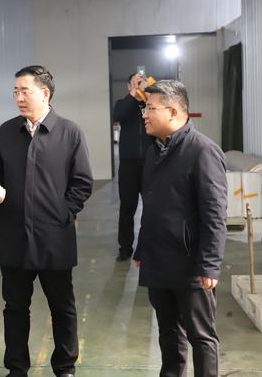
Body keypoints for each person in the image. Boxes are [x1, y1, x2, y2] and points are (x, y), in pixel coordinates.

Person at [0, 65, 93, 377]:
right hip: (14, 237)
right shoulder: (7, 131)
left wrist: (63, 214)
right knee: (15, 308)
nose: (18, 97)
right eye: (15, 91)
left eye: (24, 91)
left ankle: (65, 368)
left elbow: (82, 183)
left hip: (54, 238)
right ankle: (16, 369)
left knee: (63, 307)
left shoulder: (69, 132)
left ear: (44, 93)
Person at [132, 80, 227, 377]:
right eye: (145, 108)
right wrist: (141, 249)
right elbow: (152, 206)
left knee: (201, 336)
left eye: (150, 108)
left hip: (190, 265)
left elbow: (214, 213)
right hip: (158, 260)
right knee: (168, 334)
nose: (144, 115)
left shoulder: (202, 151)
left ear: (173, 112)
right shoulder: (155, 150)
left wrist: (209, 264)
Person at [112, 72, 152, 261]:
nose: (139, 84)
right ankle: (125, 248)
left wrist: (147, 96)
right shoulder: (123, 104)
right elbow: (118, 116)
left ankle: (147, 247)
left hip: (150, 162)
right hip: (128, 163)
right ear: (129, 86)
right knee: (127, 207)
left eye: (142, 82)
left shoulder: (150, 104)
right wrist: (134, 95)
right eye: (136, 82)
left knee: (151, 207)